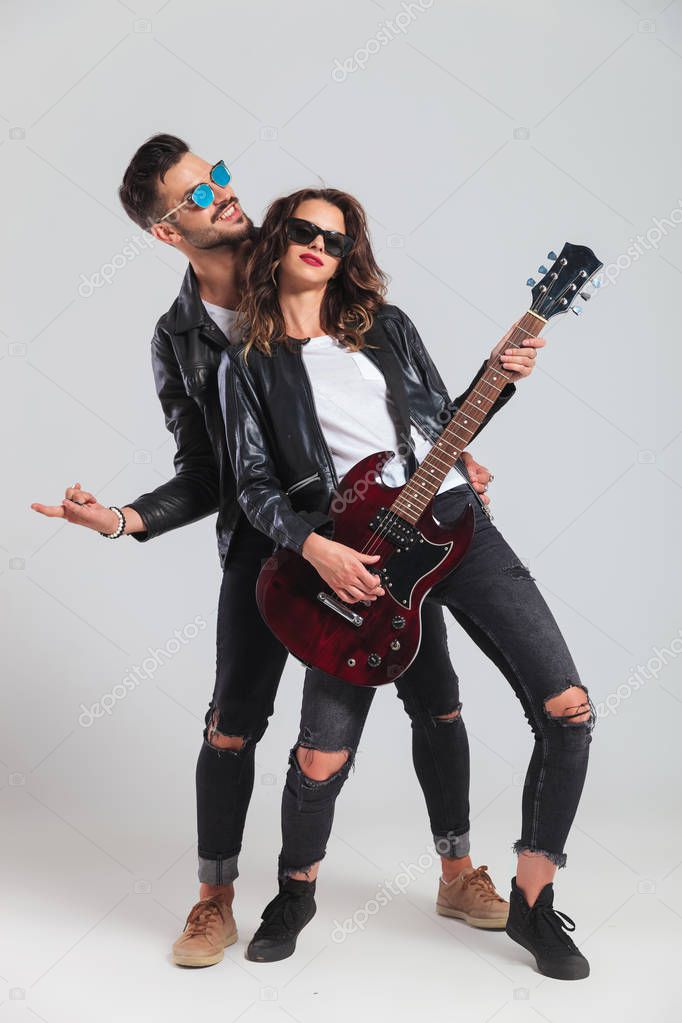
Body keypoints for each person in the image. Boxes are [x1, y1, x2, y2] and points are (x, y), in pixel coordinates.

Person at [30, 135, 500, 968]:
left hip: (377, 527)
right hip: (265, 546)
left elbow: (389, 367)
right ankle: (214, 899)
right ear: (165, 233)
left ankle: (457, 870)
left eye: (216, 172)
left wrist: (447, 451)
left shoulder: (301, 251)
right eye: (196, 192)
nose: (223, 190)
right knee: (231, 726)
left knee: (437, 695)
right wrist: (123, 521)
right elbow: (207, 472)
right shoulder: (178, 338)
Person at [219, 187, 594, 980]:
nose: (320, 243)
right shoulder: (248, 362)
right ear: (279, 238)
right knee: (321, 754)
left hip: (454, 520)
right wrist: (315, 548)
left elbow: (438, 424)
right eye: (305, 230)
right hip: (353, 548)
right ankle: (295, 894)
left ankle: (532, 897)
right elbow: (252, 486)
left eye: (337, 235)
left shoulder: (384, 326)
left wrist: (502, 374)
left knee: (569, 708)